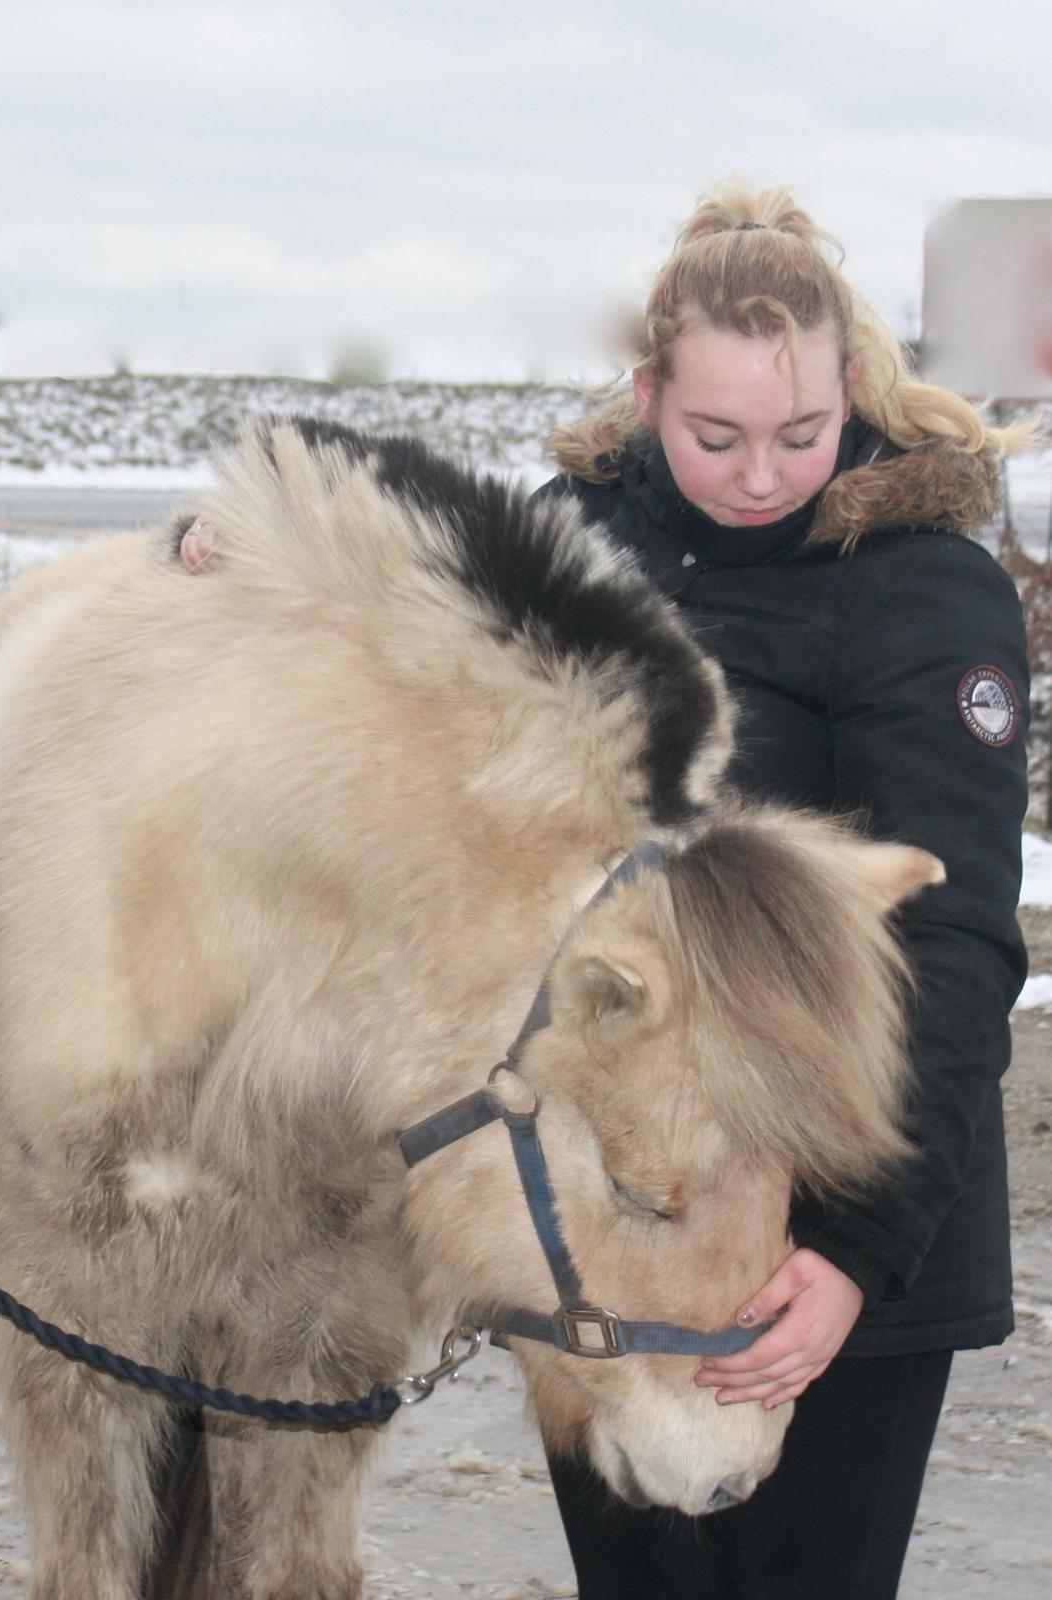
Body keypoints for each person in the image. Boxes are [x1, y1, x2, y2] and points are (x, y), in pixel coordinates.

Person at [528, 182, 1032, 1599]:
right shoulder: (570, 551)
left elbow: (951, 943)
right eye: (713, 436)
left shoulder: (922, 590)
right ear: (643, 396)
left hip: (850, 1214)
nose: (760, 473)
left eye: (801, 434)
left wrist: (856, 1260)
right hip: (623, 1208)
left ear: (854, 388)